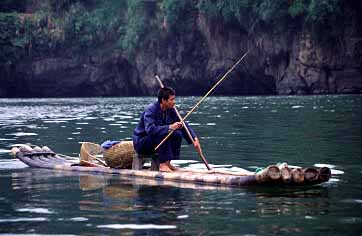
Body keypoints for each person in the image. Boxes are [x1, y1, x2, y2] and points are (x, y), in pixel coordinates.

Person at [132, 87, 201, 172]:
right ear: (163, 100)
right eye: (171, 100)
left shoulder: (171, 110)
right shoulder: (151, 110)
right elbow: (150, 130)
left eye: (174, 99)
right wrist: (170, 127)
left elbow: (182, 123)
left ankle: (168, 162)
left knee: (177, 133)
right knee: (163, 133)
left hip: (156, 142)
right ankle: (162, 164)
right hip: (142, 143)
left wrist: (194, 139)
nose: (174, 102)